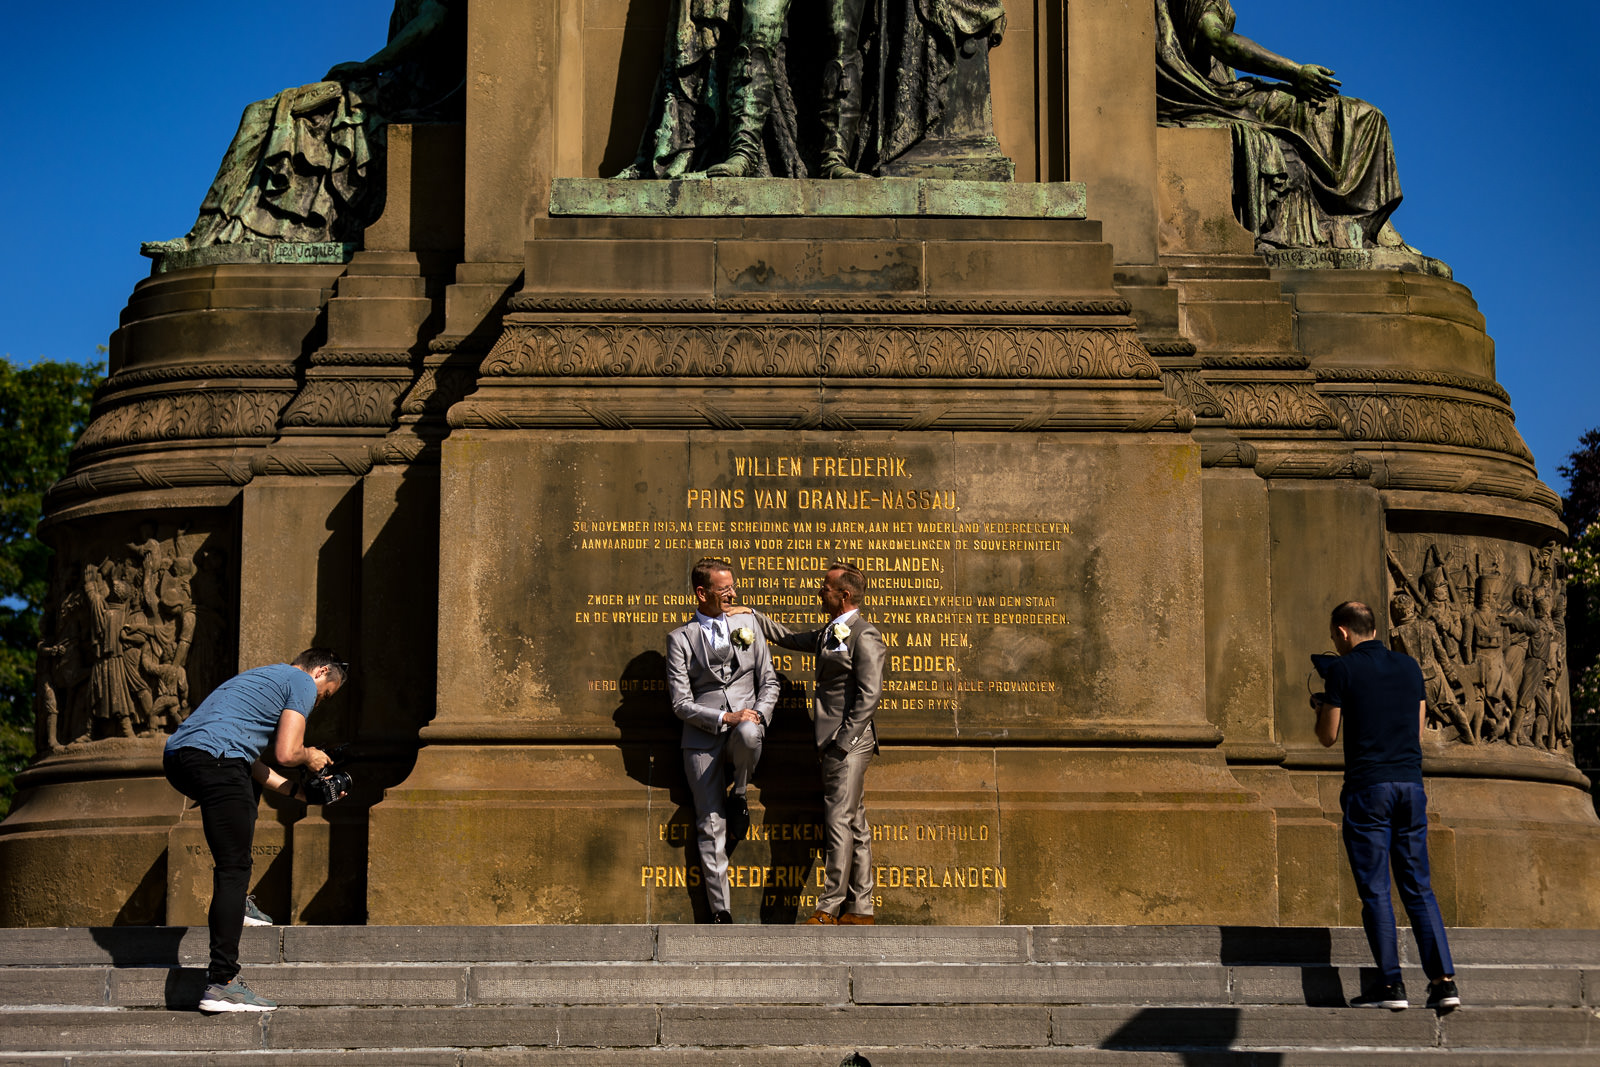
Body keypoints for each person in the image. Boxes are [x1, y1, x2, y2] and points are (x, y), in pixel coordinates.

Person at [163, 648, 348, 1012]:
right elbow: (286, 752)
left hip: (184, 757)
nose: (319, 701)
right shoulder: (300, 681)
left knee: (236, 836)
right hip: (218, 761)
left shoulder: (259, 681)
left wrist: (299, 793)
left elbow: (251, 763)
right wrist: (311, 756)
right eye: (326, 694)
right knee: (233, 868)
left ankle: (239, 903)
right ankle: (223, 983)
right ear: (321, 670)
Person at [1155, 0, 1407, 251]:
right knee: (1364, 118)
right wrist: (1295, 72)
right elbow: (1219, 41)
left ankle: (1364, 226)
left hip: (1227, 93)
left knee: (1364, 118)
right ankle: (1354, 227)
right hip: (1216, 98)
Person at [1311, 602, 1460, 1012]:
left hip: (1368, 789)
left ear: (1342, 633)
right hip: (1410, 786)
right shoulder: (1410, 668)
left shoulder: (1341, 671)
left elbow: (1328, 735)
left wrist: (1322, 705)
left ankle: (1391, 987)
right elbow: (1415, 729)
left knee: (1377, 889)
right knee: (1419, 886)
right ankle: (1444, 982)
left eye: (1333, 636)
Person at [729, 562, 885, 925]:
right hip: (834, 742)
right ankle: (861, 908)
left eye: (825, 588)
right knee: (854, 823)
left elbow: (869, 694)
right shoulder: (834, 632)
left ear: (843, 595)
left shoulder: (865, 634)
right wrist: (751, 615)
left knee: (837, 822)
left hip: (846, 743)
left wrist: (843, 740)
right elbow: (788, 637)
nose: (819, 592)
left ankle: (829, 907)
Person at [665, 559, 780, 924]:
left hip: (745, 729)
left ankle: (740, 793)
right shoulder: (680, 639)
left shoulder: (748, 624)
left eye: (733, 586)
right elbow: (681, 703)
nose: (732, 593)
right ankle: (721, 911)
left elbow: (770, 682)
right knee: (709, 823)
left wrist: (758, 714)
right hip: (701, 739)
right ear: (702, 593)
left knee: (748, 732)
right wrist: (722, 717)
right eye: (723, 588)